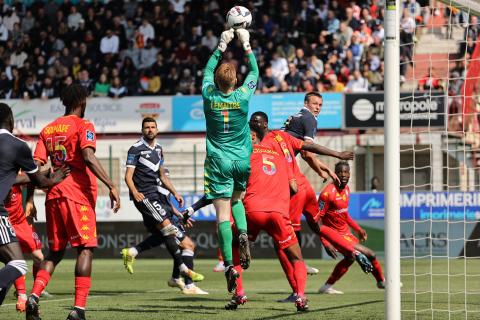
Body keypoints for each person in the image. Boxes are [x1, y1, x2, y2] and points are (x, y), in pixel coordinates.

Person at [249, 111, 374, 303]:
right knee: (318, 226)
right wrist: (336, 155)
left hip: (292, 192)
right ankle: (353, 250)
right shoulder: (284, 137)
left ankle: (296, 289)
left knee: (281, 243)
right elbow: (309, 148)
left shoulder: (262, 146)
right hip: (305, 187)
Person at [25, 84, 121, 320]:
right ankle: (78, 309)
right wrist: (111, 184)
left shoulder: (47, 129)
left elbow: (36, 166)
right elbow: (88, 156)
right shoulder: (83, 125)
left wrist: (31, 198)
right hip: (77, 195)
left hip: (53, 196)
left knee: (54, 253)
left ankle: (34, 296)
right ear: (82, 101)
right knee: (85, 249)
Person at [226, 128, 310, 311]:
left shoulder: (243, 155)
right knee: (297, 257)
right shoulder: (281, 156)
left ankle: (239, 293)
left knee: (234, 245)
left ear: (253, 136)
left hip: (253, 210)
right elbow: (294, 188)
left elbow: (234, 183)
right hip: (278, 213)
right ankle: (301, 297)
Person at [201, 27, 258, 293]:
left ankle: (228, 266)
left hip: (218, 160)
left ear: (217, 81)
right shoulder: (243, 96)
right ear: (235, 81)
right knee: (238, 200)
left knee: (222, 214)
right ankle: (244, 232)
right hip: (241, 160)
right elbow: (255, 73)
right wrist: (246, 46)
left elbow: (205, 72)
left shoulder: (209, 96)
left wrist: (221, 45)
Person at [122, 117, 204, 291]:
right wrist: (135, 191)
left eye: (153, 127)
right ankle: (183, 271)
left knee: (169, 234)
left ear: (157, 129)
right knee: (168, 230)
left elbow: (162, 176)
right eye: (147, 127)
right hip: (145, 197)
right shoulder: (136, 149)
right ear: (142, 130)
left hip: (157, 199)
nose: (150, 130)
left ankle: (136, 253)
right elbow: (128, 175)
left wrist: (175, 193)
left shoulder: (159, 149)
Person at [0, 103, 68, 306]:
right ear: (11, 121)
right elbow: (38, 181)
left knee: (9, 262)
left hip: (11, 217)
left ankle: (20, 294)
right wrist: (54, 178)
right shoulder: (17, 145)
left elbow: (14, 179)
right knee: (18, 264)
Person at [121, 166, 207, 295]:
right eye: (165, 176)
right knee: (188, 245)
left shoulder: (160, 185)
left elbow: (166, 202)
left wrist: (178, 215)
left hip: (165, 216)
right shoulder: (154, 185)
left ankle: (175, 278)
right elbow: (158, 203)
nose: (166, 178)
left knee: (170, 240)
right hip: (162, 217)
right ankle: (189, 285)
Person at [318, 161, 385, 294]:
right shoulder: (327, 194)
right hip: (334, 236)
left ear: (349, 174)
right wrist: (326, 243)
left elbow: (345, 215)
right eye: (339, 172)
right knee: (370, 254)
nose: (343, 175)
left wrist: (358, 229)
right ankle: (381, 282)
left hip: (346, 234)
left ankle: (326, 287)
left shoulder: (347, 190)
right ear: (334, 174)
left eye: (346, 172)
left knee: (350, 258)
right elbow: (317, 220)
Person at [5, 183, 45, 312]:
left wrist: (30, 201)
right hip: (5, 223)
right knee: (14, 259)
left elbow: (32, 178)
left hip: (21, 222)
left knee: (39, 257)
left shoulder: (16, 173)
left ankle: (34, 293)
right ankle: (22, 296)